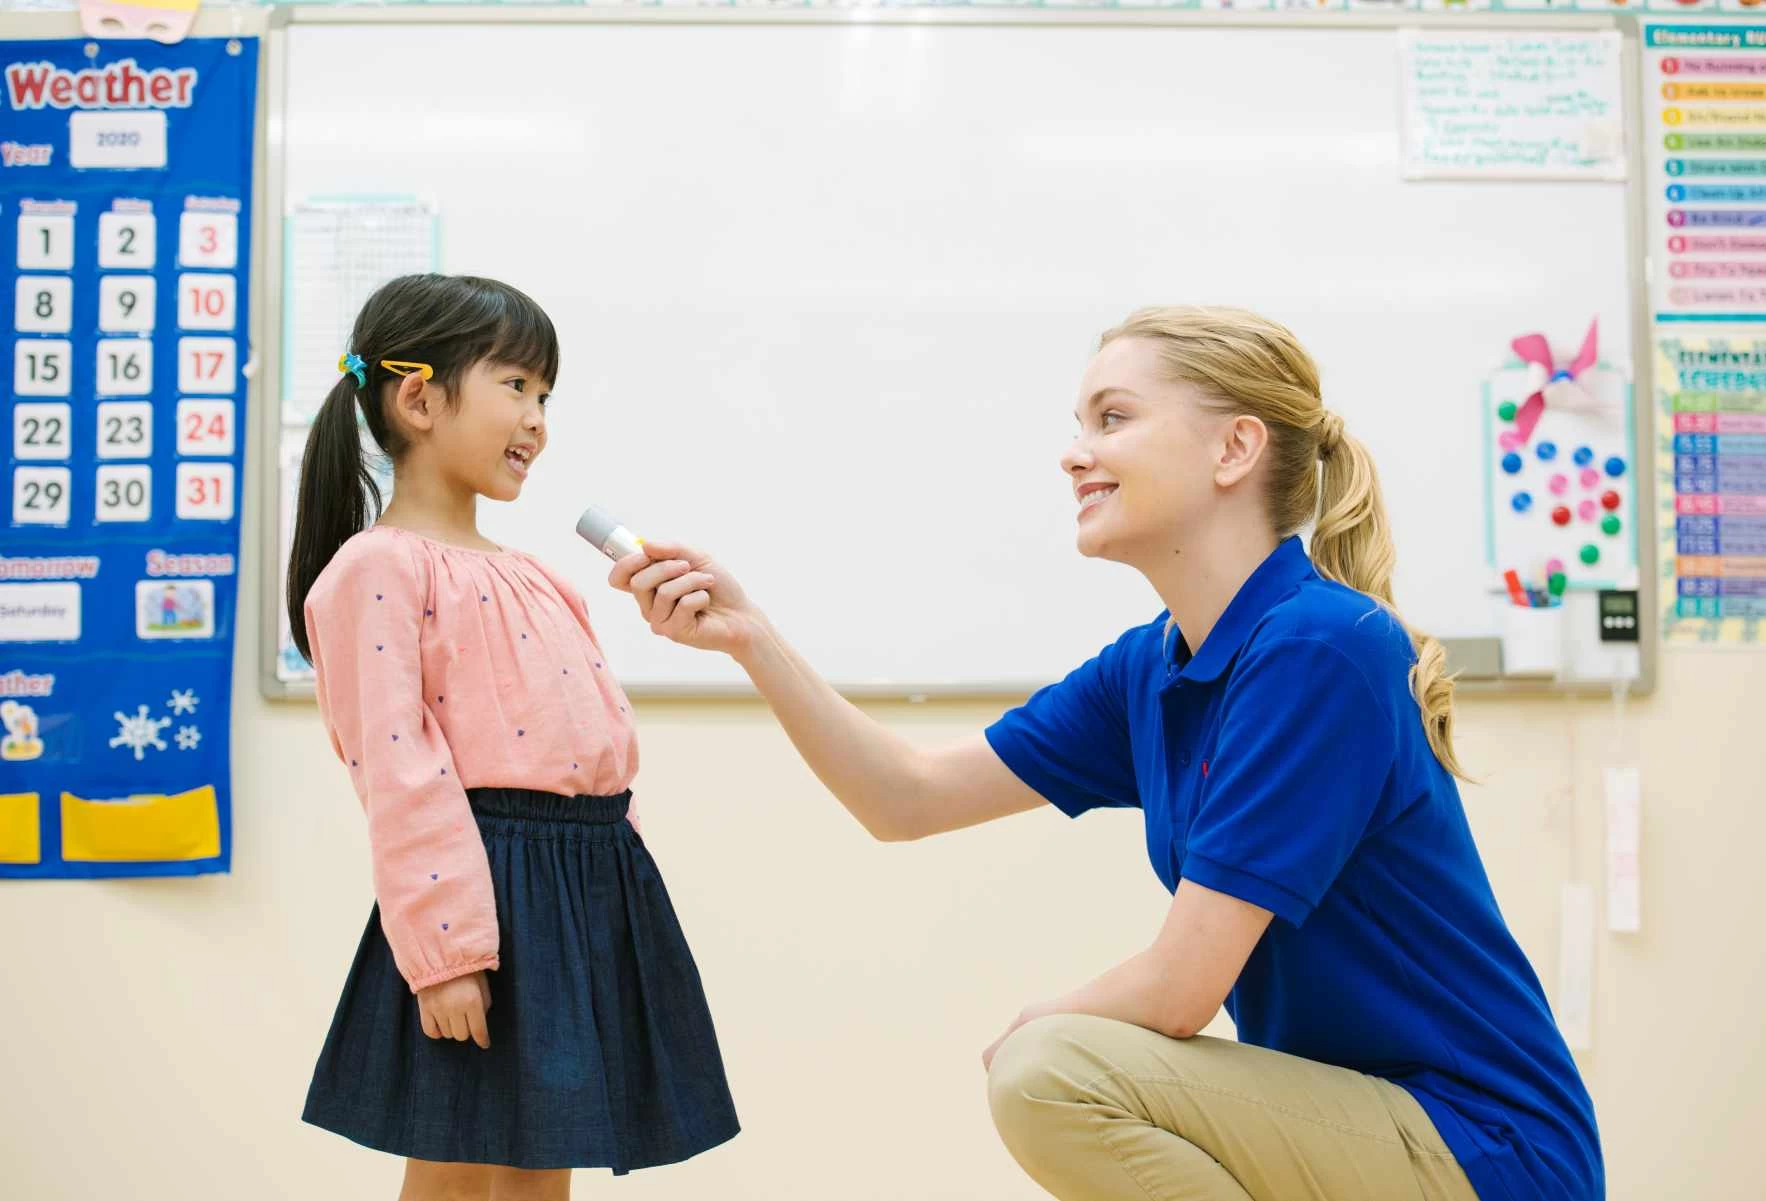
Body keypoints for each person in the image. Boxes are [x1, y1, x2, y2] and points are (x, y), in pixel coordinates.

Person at [609, 306, 1601, 1201]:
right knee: (1055, 1066)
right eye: (1080, 425)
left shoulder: (1320, 647)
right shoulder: (1155, 667)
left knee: (1052, 1071)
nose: (1075, 453)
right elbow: (903, 798)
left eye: (1111, 419)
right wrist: (752, 638)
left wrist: (1037, 1030)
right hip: (1368, 1123)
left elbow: (1181, 988)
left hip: (1488, 1149)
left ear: (1234, 449)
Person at [287, 274, 738, 1200]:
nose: (537, 418)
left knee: (540, 1163)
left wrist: (622, 897)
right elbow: (401, 772)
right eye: (517, 386)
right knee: (459, 1160)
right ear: (419, 397)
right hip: (483, 892)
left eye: (546, 395)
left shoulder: (536, 573)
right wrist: (448, 951)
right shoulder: (375, 568)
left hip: (585, 884)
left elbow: (595, 748)